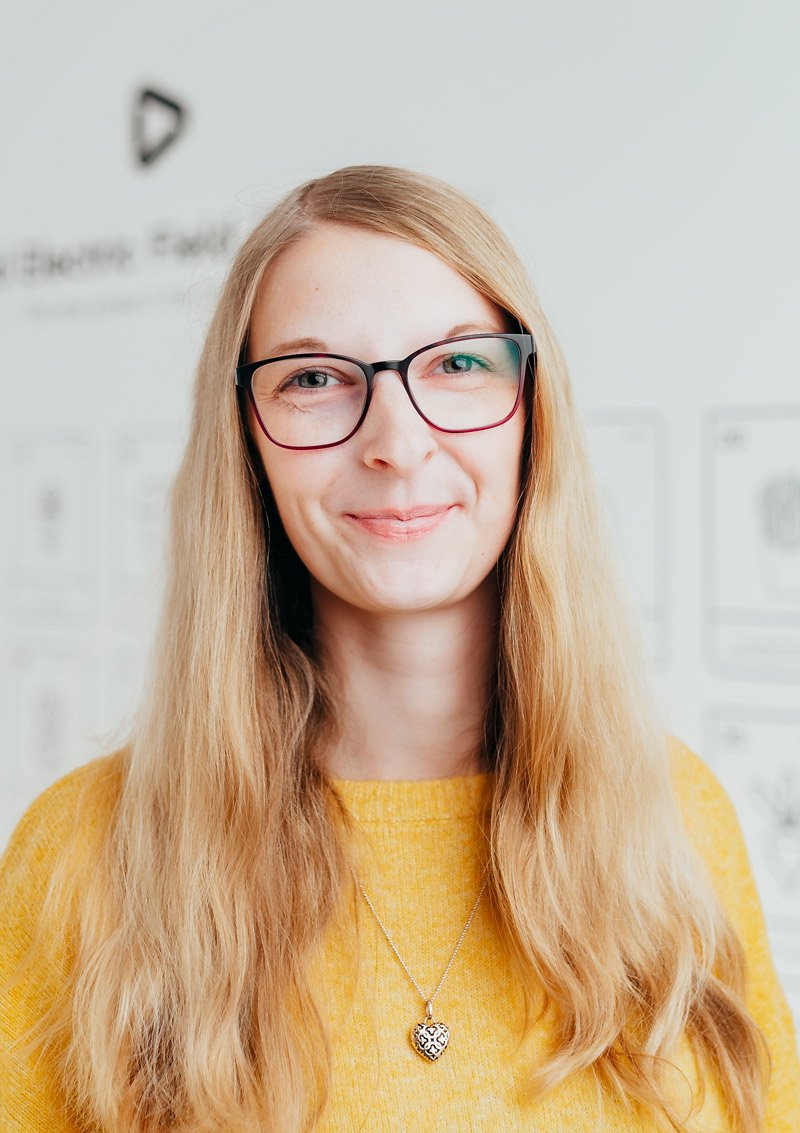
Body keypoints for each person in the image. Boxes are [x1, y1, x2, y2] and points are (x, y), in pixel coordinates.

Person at [1, 164, 798, 1133]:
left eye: (457, 364)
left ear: (532, 412)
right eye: (313, 378)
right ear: (245, 437)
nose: (397, 441)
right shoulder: (85, 854)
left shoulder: (679, 816)